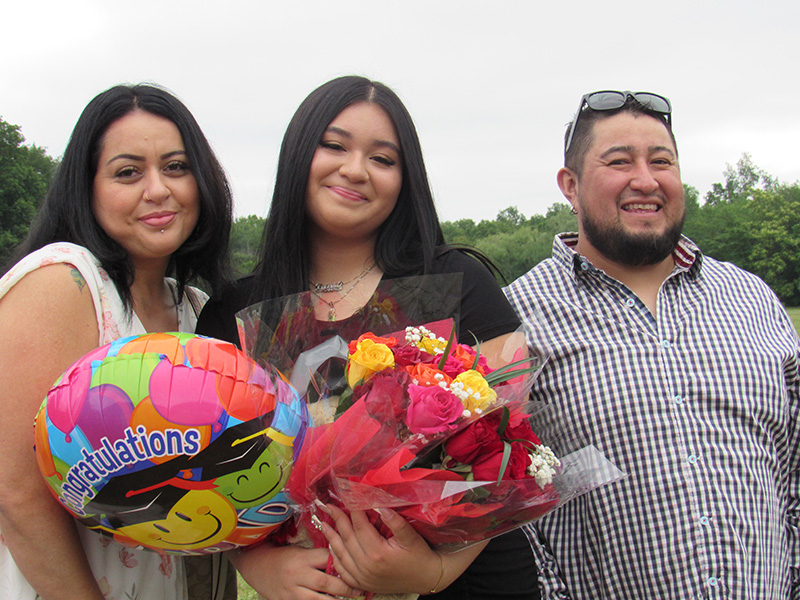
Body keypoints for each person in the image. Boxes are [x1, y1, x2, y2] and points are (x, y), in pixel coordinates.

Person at [197, 75, 540, 600]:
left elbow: (508, 448)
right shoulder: (231, 312)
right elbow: (206, 470)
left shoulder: (459, 284)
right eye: (333, 146)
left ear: (406, 179)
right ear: (296, 157)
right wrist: (261, 566)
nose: (354, 170)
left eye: (382, 159)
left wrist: (432, 573)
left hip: (466, 582)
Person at [505, 90, 800, 598]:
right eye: (619, 162)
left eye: (661, 161)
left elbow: (793, 468)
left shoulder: (753, 300)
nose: (645, 179)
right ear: (570, 186)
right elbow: (504, 506)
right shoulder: (515, 318)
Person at [0, 84, 235, 600]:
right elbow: (14, 492)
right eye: (128, 172)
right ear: (87, 189)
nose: (158, 190)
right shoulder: (65, 281)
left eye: (176, 167)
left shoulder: (198, 310)